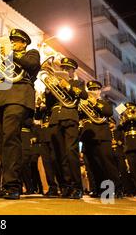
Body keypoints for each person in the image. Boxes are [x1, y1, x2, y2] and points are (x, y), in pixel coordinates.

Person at [0, 29, 41, 200]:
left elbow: (31, 65)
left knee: (11, 138)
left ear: (24, 43)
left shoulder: (31, 53)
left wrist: (10, 55)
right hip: (0, 98)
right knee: (0, 143)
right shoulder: (5, 57)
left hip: (18, 96)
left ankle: (13, 185)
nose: (12, 43)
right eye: (11, 40)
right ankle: (5, 184)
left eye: (15, 40)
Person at [47, 57, 87, 199]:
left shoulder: (78, 83)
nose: (64, 70)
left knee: (71, 152)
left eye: (67, 69)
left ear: (72, 71)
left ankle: (77, 187)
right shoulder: (55, 83)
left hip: (70, 116)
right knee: (57, 155)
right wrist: (48, 90)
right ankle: (65, 185)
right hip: (55, 118)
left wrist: (68, 86)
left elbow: (83, 95)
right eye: (62, 68)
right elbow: (49, 104)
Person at [79, 80, 122, 198]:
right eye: (91, 89)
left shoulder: (105, 102)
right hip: (87, 137)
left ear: (99, 91)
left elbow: (108, 112)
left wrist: (94, 103)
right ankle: (99, 190)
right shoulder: (83, 103)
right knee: (92, 166)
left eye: (95, 89)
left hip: (102, 136)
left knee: (107, 164)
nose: (93, 91)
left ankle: (115, 190)